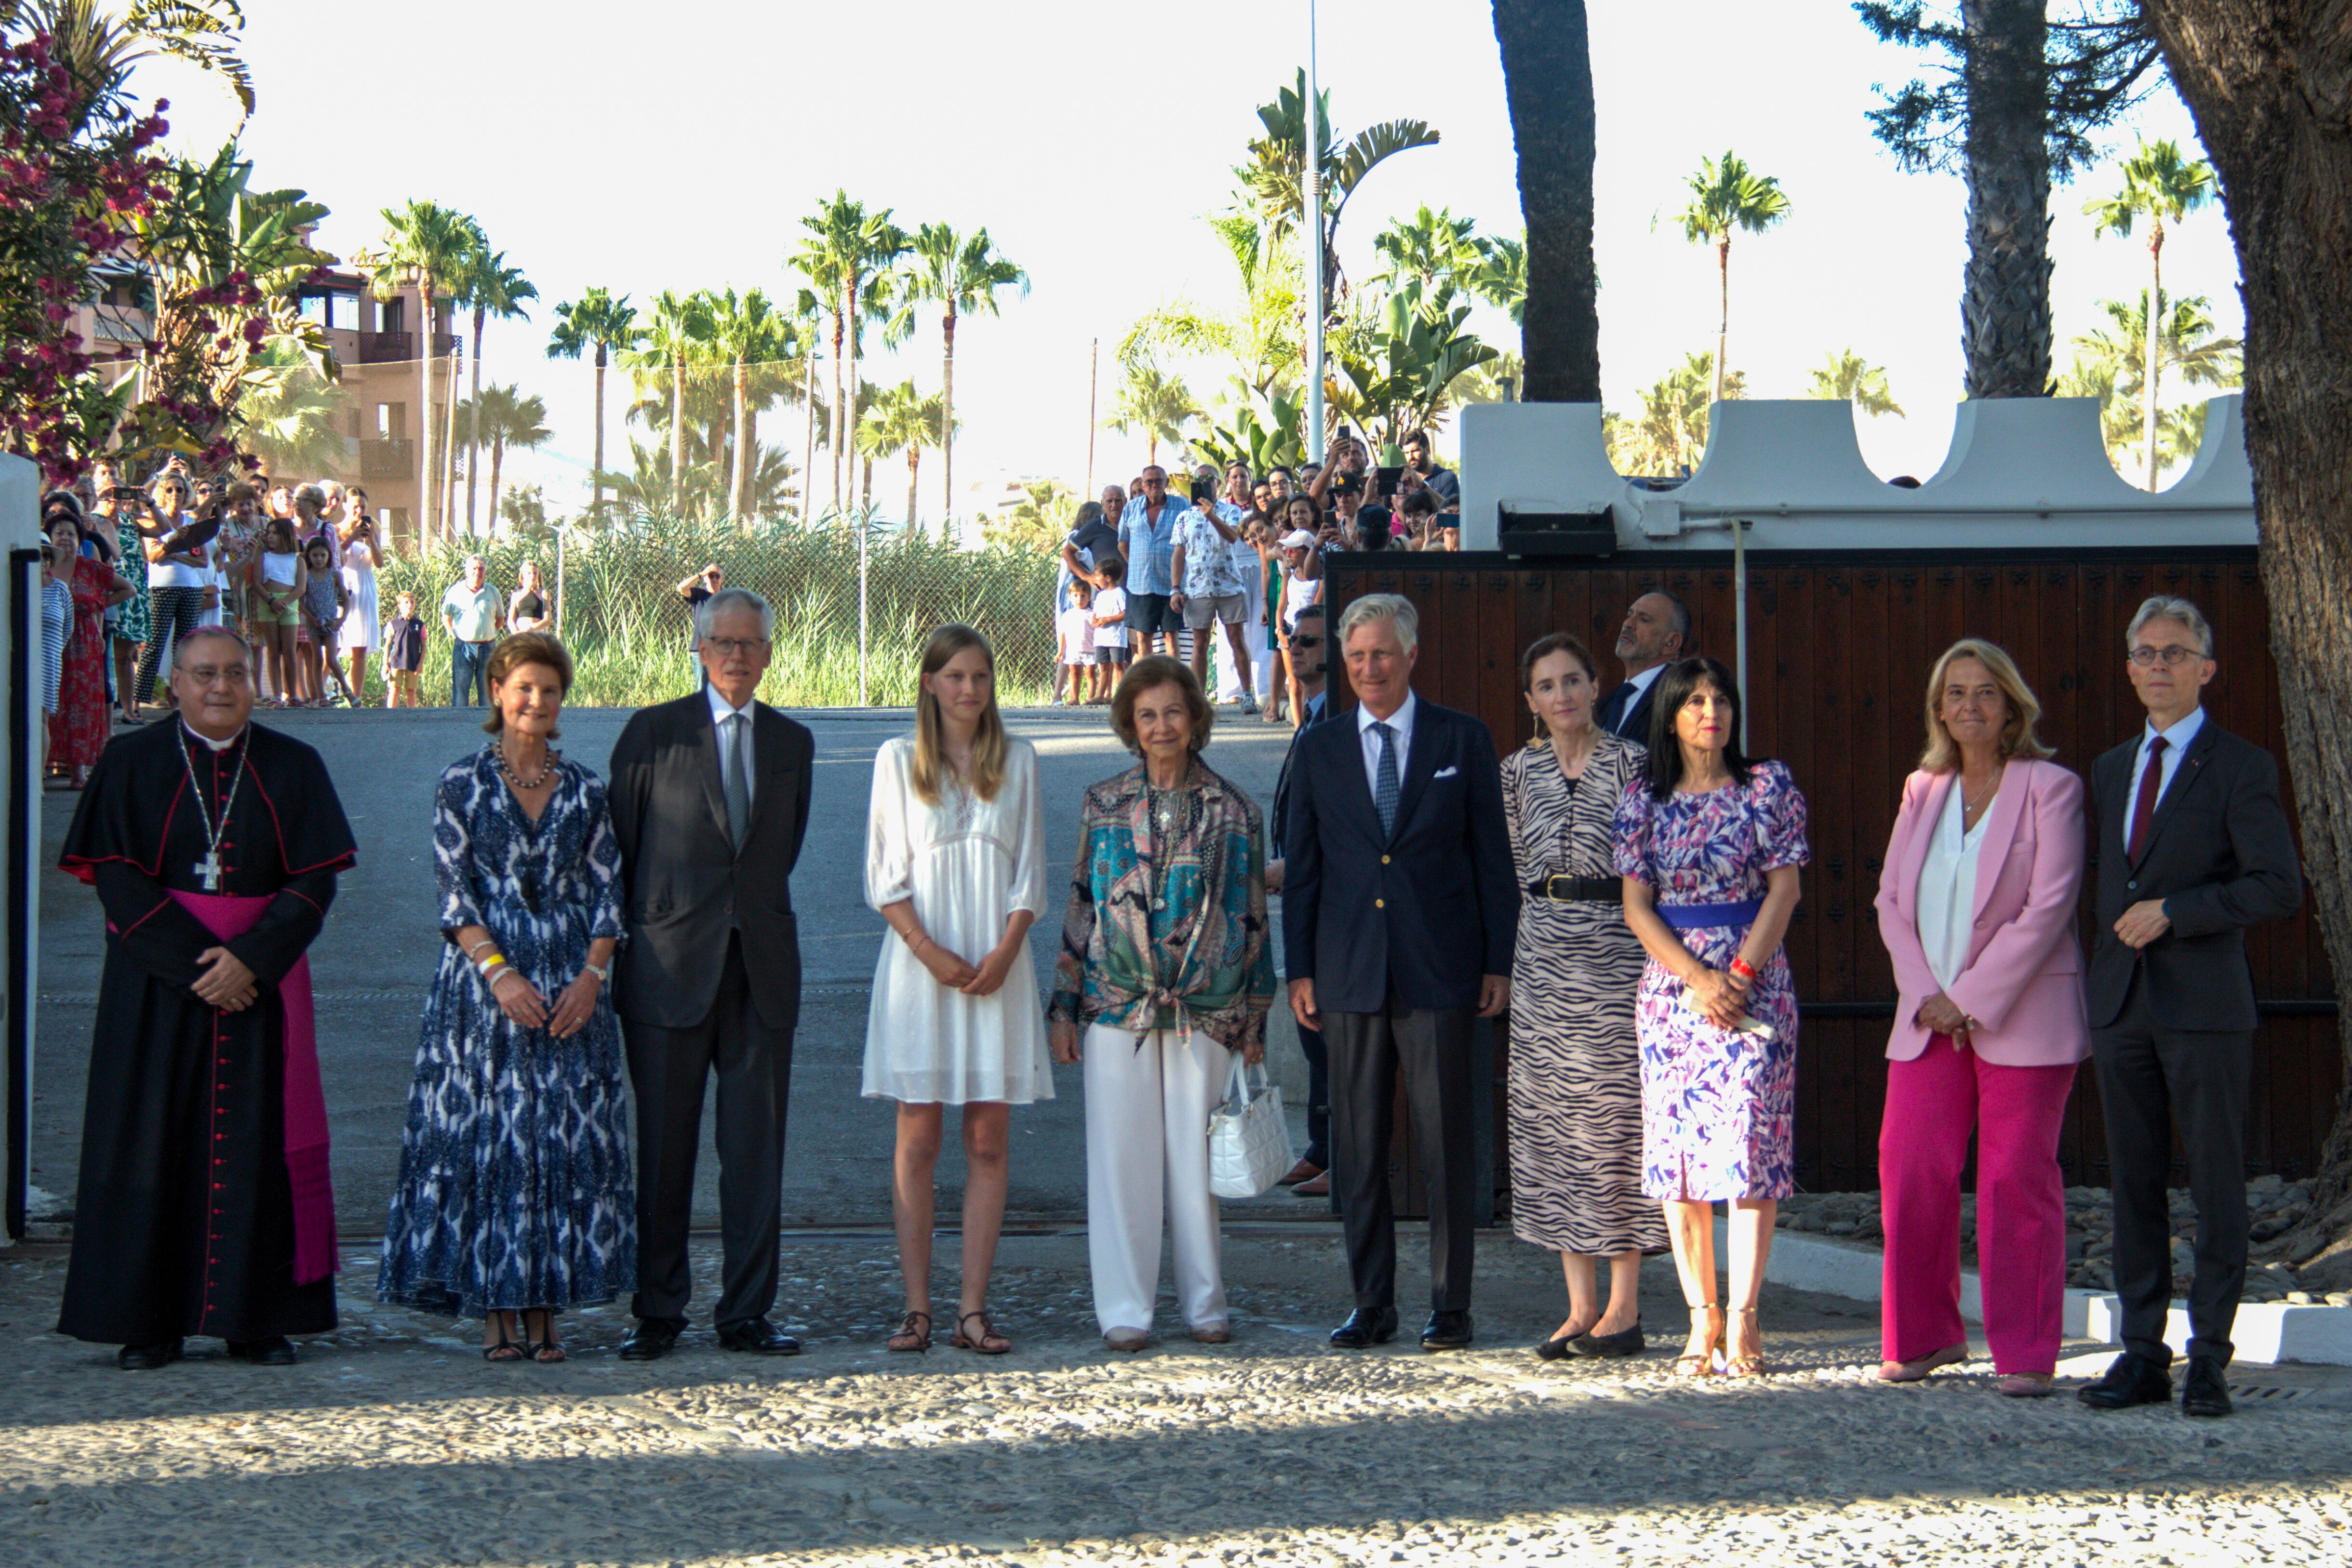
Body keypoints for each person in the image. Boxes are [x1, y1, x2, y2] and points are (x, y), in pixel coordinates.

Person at [55, 626, 357, 1369]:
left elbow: (315, 878)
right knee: (151, 1139)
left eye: (234, 673)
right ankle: (147, 1320)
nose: (220, 687)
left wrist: (249, 960)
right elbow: (115, 875)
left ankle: (256, 1319)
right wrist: (200, 965)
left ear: (254, 682)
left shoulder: (295, 764)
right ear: (175, 686)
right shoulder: (130, 762)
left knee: (258, 1143)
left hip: (262, 980)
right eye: (203, 674)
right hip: (155, 983)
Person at [378, 632, 634, 1364]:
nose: (536, 701)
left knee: (557, 1142)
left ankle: (548, 1306)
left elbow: (610, 892)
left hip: (570, 985)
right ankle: (496, 1307)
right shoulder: (459, 783)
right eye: (523, 687)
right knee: (494, 1142)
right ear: (496, 690)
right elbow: (454, 897)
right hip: (481, 988)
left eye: (550, 690)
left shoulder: (587, 789)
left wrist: (592, 977)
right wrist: (500, 974)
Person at [2076, 597, 2302, 1421]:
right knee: (2133, 1184)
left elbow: (2277, 885)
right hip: (2123, 1004)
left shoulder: (2240, 766)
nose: (2160, 664)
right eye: (2146, 652)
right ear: (2130, 667)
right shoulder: (2108, 768)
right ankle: (2143, 1353)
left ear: (2206, 668)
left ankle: (2210, 1357)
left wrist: (2179, 907)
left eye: (2177, 651)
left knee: (2214, 1185)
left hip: (2205, 1006)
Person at [1283, 594, 1516, 1352]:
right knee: (1356, 1144)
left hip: (1441, 970)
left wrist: (1497, 961)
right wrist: (1300, 970)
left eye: (1381, 653)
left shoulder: (1463, 737)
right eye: (1355, 657)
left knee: (1448, 1143)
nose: (1368, 668)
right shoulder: (1318, 748)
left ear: (1411, 655)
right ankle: (1371, 1302)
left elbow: (1492, 860)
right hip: (1348, 972)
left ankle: (1451, 1306)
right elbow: (1307, 869)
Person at [1872, 639, 2088, 1397]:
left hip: (2023, 1015)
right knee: (1911, 1169)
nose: (1971, 706)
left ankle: (2026, 1349)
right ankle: (1925, 1336)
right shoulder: (1921, 789)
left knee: (2015, 1180)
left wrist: (1970, 996)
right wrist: (1932, 993)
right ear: (1939, 709)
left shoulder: (2050, 786)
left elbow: (2049, 904)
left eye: (1986, 692)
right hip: (1928, 1016)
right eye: (1956, 693)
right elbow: (1890, 902)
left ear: (2012, 705)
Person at [609, 587, 815, 1360]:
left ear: (768, 653)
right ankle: (657, 1311)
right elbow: (621, 852)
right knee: (663, 1150)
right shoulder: (653, 732)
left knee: (755, 1151)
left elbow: (778, 849)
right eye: (722, 642)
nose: (736, 655)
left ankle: (747, 1312)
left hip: (760, 970)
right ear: (698, 648)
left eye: (750, 643)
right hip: (667, 970)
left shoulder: (793, 743)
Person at [1050, 656, 1273, 1350]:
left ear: (1196, 718)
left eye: (1173, 711)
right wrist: (1062, 1004)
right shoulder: (1103, 801)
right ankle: (1126, 1307)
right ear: (1130, 724)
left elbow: (1254, 913)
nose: (1161, 726)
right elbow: (1083, 900)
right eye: (1147, 715)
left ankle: (1206, 1300)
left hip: (1207, 1004)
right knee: (1122, 1158)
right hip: (1117, 1003)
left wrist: (1255, 1013)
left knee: (1195, 1159)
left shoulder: (1235, 808)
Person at [1614, 657, 1809, 1380]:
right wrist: (1696, 977)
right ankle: (1702, 1317)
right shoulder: (1643, 798)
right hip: (1673, 991)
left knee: (1750, 1146)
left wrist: (1739, 977)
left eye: (1720, 697)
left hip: (1754, 979)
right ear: (1670, 715)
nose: (1710, 711)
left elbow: (1784, 889)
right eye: (1694, 700)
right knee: (1683, 1159)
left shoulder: (1767, 786)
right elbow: (1637, 905)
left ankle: (1748, 1316)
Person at [864, 626, 1052, 1356]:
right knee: (918, 1134)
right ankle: (916, 1306)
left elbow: (1029, 875)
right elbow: (885, 874)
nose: (969, 689)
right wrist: (927, 950)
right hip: (921, 967)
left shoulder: (1022, 760)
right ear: (929, 683)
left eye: (980, 675)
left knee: (987, 1138)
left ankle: (972, 1308)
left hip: (996, 965)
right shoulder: (894, 760)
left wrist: (1007, 951)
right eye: (954, 675)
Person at [1506, 633, 1666, 1360]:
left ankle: (1625, 1308)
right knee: (1555, 1126)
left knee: (1615, 1126)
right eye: (1547, 684)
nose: (1562, 694)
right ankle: (1578, 1306)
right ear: (1532, 699)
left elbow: (1652, 865)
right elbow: (1513, 861)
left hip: (1618, 952)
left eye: (1573, 679)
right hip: (1542, 952)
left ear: (1597, 685)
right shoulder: (1516, 771)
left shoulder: (1635, 764)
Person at [1266, 601, 1330, 1193]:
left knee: (1324, 1029)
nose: (1296, 647)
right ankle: (1321, 1144)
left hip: (1328, 895)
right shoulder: (1311, 710)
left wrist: (1291, 863)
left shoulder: (1334, 715)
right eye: (1291, 637)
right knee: (1311, 1025)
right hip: (1303, 890)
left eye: (1308, 639)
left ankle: (1332, 1149)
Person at [47, 518, 129, 789]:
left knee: (80, 705)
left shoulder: (90, 568)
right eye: (59, 533)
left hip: (83, 644)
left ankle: (78, 769)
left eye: (71, 534)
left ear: (80, 540)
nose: (65, 539)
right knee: (52, 702)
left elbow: (128, 589)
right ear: (50, 537)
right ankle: (50, 760)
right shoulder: (43, 567)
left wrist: (97, 602)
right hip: (51, 643)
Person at [1169, 475, 1256, 711]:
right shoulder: (1184, 517)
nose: (1203, 485)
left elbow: (1233, 536)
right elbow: (1178, 554)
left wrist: (1211, 515)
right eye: (1199, 480)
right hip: (1197, 588)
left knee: (1237, 639)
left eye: (1208, 481)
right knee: (1200, 642)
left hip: (1229, 585)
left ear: (1217, 484)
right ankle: (1198, 698)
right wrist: (1175, 589)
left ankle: (1247, 693)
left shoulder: (1231, 511)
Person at [135, 473, 212, 713]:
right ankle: (138, 701)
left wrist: (174, 553)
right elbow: (154, 557)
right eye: (169, 490)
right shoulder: (153, 520)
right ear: (162, 493)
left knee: (185, 646)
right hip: (162, 588)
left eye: (180, 490)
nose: (175, 495)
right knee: (155, 644)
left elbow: (203, 562)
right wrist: (175, 547)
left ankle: (182, 699)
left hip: (191, 589)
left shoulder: (191, 521)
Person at [1596, 592, 1691, 741]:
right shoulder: (1608, 703)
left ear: (1671, 642)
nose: (1628, 624)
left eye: (1644, 619)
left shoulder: (1681, 699)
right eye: (1629, 615)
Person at [1117, 466, 1185, 659]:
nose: (1154, 485)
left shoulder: (1182, 506)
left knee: (1171, 637)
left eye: (1158, 481)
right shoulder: (1131, 508)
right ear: (1142, 485)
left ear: (1167, 483)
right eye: (1149, 482)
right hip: (1140, 586)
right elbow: (1123, 543)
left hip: (1171, 585)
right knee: (1143, 639)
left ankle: (1174, 685)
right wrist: (1138, 564)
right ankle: (1147, 687)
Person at [246, 517, 305, 710]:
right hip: (267, 605)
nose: (270, 537)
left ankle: (293, 695)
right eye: (268, 533)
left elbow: (301, 587)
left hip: (289, 606)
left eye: (274, 533)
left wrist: (285, 602)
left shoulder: (297, 559)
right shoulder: (263, 557)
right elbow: (256, 584)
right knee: (273, 651)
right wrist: (271, 601)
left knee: (289, 651)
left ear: (285, 535)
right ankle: (277, 695)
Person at [1276, 518, 1324, 728]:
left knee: (1308, 679)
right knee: (1293, 682)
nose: (1288, 554)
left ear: (1307, 551)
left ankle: (1309, 723)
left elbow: (1316, 605)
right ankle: (1298, 728)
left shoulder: (1319, 577)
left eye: (1293, 551)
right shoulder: (1289, 575)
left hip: (1307, 632)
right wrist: (1279, 629)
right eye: (1286, 551)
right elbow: (1282, 605)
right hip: (1288, 629)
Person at [442, 555, 504, 708]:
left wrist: (488, 632)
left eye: (481, 569)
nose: (478, 572)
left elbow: (501, 618)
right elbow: (446, 616)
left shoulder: (494, 592)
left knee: (486, 691)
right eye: (474, 568)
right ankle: (459, 726)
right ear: (466, 571)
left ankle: (485, 726)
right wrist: (452, 633)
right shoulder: (455, 592)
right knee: (461, 689)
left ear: (486, 572)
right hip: (463, 646)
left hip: (487, 647)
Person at [299, 537, 353, 707]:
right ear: (309, 556)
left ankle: (347, 691)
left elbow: (346, 599)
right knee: (317, 658)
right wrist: (311, 618)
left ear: (329, 556)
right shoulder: (306, 576)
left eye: (323, 555)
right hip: (314, 622)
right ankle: (320, 696)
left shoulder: (335, 575)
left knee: (331, 659)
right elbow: (300, 601)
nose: (319, 559)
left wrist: (341, 620)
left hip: (331, 622)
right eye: (315, 555)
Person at [338, 514, 382, 700]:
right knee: (334, 644)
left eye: (363, 507)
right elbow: (336, 558)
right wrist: (352, 537)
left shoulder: (373, 529)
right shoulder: (336, 530)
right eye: (355, 506)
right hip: (343, 586)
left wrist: (371, 538)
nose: (359, 511)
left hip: (365, 588)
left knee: (360, 646)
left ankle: (357, 697)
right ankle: (319, 694)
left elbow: (380, 563)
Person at [1089, 554, 1130, 692]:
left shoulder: (1120, 594)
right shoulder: (1100, 595)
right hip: (1101, 638)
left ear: (1108, 578)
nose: (1096, 579)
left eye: (1097, 576)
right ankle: (1101, 695)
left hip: (1115, 638)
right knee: (1104, 667)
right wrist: (1095, 620)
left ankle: (1122, 694)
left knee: (1118, 665)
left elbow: (1125, 613)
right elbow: (1095, 613)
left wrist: (1108, 620)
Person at [383, 591, 427, 709]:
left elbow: (424, 646)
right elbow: (387, 644)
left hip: (413, 662)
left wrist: (421, 664)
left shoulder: (420, 625)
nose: (409, 605)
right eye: (406, 602)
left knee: (411, 691)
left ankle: (411, 717)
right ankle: (390, 715)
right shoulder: (393, 624)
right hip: (396, 662)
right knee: (395, 689)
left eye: (412, 602)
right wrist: (385, 664)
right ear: (399, 605)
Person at [1056, 578, 1096, 706]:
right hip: (1073, 651)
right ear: (1070, 597)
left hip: (1090, 650)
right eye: (1076, 596)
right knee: (1074, 674)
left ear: (1089, 597)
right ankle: (1074, 699)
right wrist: (1061, 651)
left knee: (1090, 674)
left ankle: (1091, 699)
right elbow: (1063, 633)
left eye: (1083, 596)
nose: (1079, 599)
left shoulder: (1092, 614)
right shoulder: (1067, 615)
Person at [1401, 429, 1460, 508]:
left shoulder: (1448, 478)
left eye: (1415, 451)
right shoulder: (1405, 481)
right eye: (1407, 453)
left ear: (1427, 450)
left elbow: (1450, 510)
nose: (1411, 457)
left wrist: (1422, 487)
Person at [509, 559, 553, 635]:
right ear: (523, 575)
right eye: (529, 573)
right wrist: (517, 634)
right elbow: (511, 621)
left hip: (538, 634)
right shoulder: (516, 595)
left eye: (535, 573)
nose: (532, 576)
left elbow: (547, 621)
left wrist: (531, 629)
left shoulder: (544, 593)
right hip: (521, 634)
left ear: (538, 574)